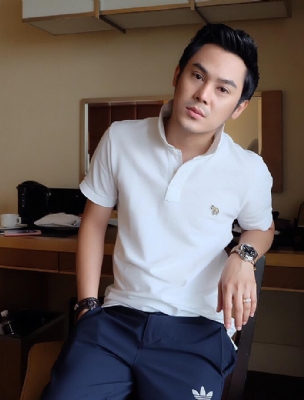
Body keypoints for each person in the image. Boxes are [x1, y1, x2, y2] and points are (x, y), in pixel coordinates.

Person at [41, 23, 275, 400]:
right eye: (197, 76)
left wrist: (243, 256)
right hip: (117, 317)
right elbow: (94, 222)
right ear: (177, 75)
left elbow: (262, 228)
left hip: (198, 328)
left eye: (223, 89)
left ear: (239, 107)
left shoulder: (248, 169)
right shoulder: (120, 138)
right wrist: (86, 307)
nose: (203, 95)